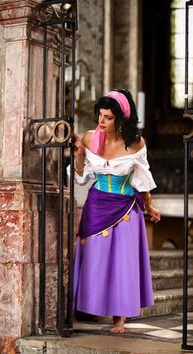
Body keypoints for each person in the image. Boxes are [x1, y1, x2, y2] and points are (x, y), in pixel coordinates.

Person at [70, 88, 161, 334]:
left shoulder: (135, 144)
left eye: (107, 117)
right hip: (97, 206)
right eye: (100, 115)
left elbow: (141, 180)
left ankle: (119, 318)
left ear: (121, 119)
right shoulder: (90, 139)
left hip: (125, 211)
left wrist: (150, 206)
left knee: (122, 263)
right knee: (95, 260)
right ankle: (86, 307)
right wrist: (79, 156)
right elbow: (80, 178)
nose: (101, 121)